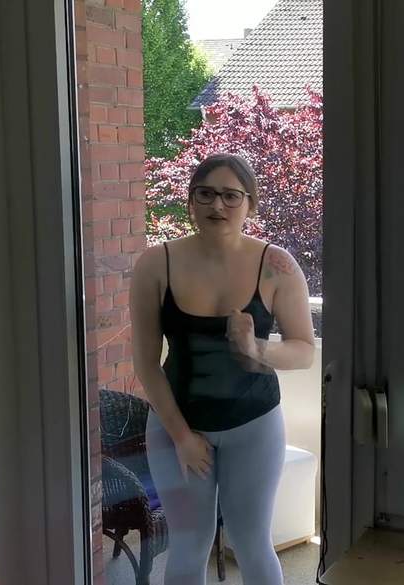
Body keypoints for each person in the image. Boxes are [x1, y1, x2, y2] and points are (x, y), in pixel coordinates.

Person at [131, 153, 315, 584]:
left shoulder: (277, 266)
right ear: (190, 201)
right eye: (206, 194)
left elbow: (304, 350)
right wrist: (182, 437)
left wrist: (255, 348)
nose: (217, 205)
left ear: (250, 203)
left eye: (231, 196)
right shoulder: (155, 264)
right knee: (188, 542)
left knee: (251, 541)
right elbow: (145, 363)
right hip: (175, 425)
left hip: (253, 424)